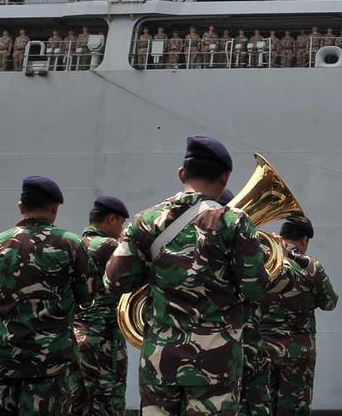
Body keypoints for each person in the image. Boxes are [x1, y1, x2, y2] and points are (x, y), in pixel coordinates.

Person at [104, 135, 271, 415]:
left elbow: (114, 281)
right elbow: (255, 289)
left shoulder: (145, 221)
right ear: (225, 178)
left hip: (161, 359)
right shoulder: (235, 223)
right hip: (216, 360)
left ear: (182, 174)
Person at [0, 175, 95, 414]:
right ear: (54, 208)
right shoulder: (71, 244)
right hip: (50, 366)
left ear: (21, 206)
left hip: (2, 362)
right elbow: (87, 295)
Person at [243, 216, 337, 416]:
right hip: (298, 351)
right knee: (294, 409)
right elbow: (330, 303)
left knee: (261, 406)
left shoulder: (262, 262)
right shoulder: (310, 266)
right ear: (304, 241)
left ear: (281, 235)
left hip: (263, 348)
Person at [75, 196, 130, 415]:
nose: (121, 229)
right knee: (108, 400)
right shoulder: (109, 246)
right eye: (121, 223)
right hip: (105, 338)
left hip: (79, 334)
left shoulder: (76, 244)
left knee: (80, 399)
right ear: (111, 219)